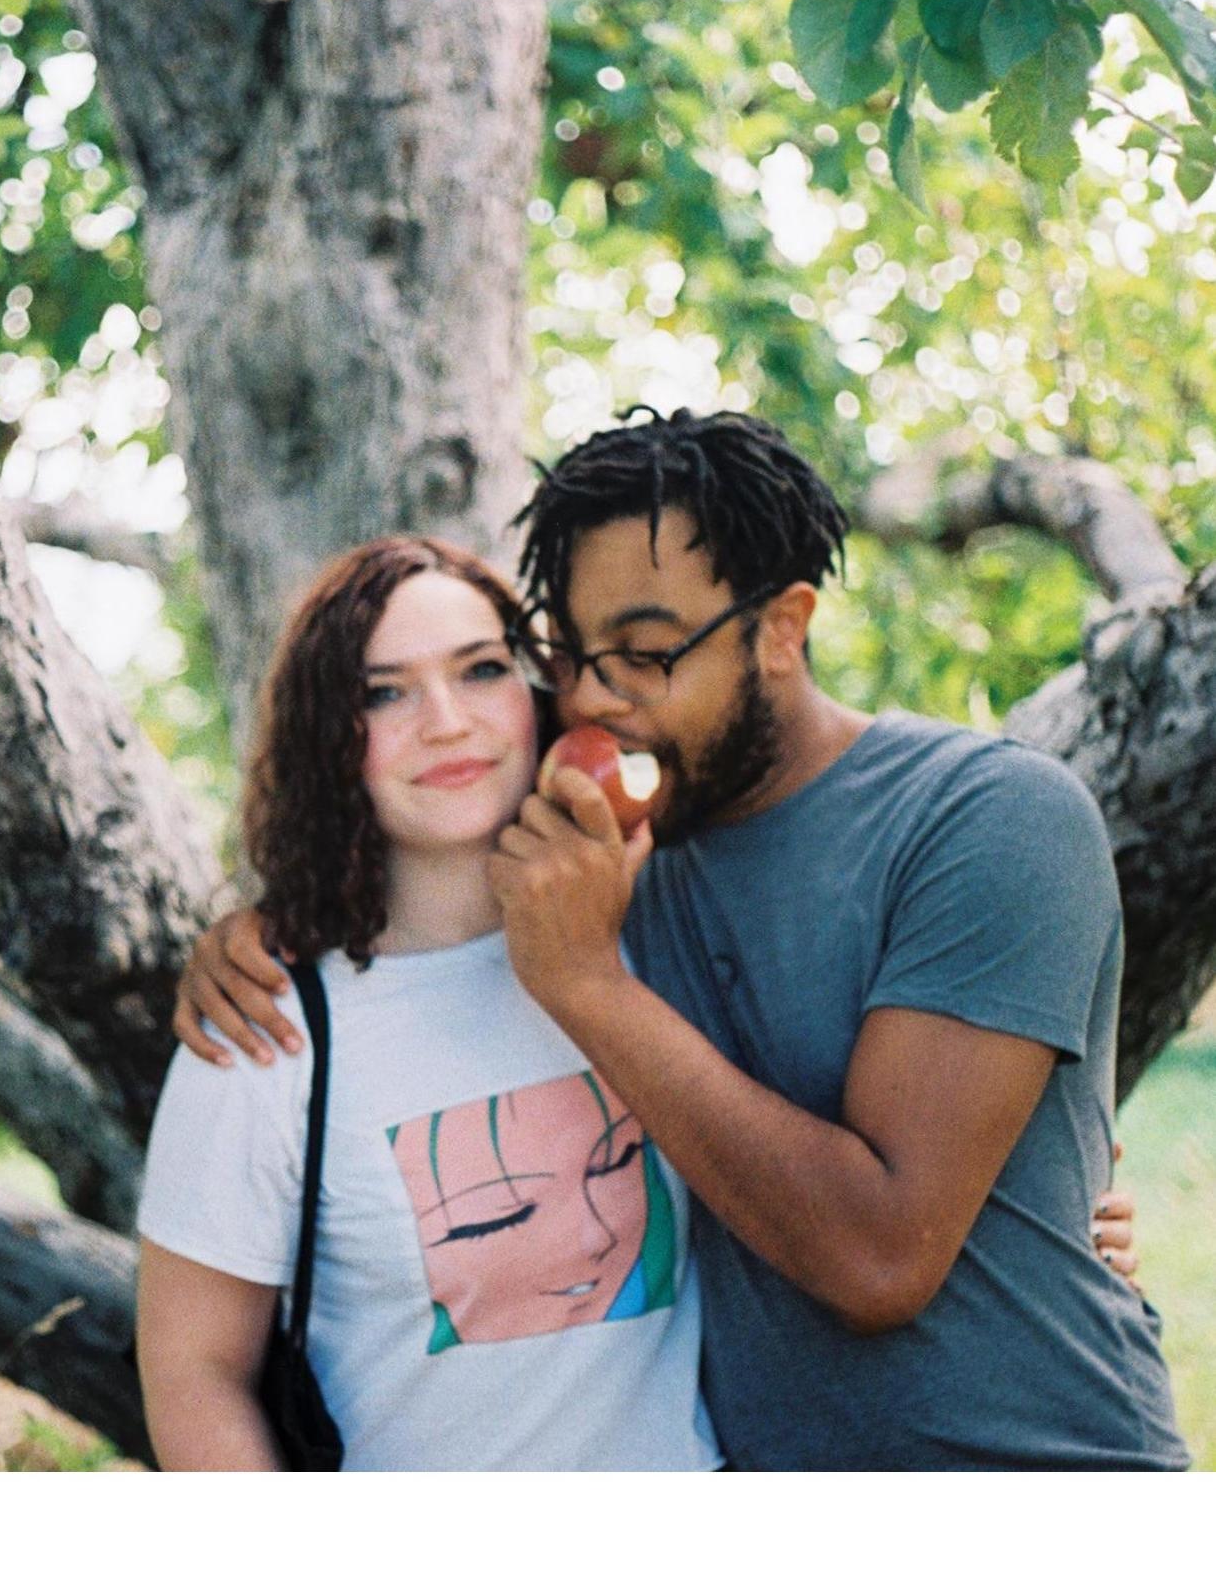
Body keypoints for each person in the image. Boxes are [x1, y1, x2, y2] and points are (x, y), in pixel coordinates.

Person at [175, 408, 1185, 1471]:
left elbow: (880, 1258)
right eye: (571, 654)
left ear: (783, 627)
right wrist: (252, 935)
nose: (599, 696)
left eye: (648, 653)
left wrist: (587, 985)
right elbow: (412, 855)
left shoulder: (985, 818)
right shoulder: (609, 861)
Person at [135, 537, 722, 1470]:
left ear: (536, 697)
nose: (446, 722)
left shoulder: (659, 929)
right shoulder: (270, 1023)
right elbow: (193, 1369)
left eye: (481, 670)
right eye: (384, 691)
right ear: (332, 739)